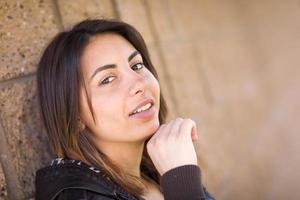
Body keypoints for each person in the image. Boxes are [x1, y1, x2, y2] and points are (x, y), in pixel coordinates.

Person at [35, 19, 215, 200]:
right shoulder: (77, 197)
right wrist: (182, 181)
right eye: (107, 79)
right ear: (74, 117)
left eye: (137, 65)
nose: (140, 83)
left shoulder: (160, 170)